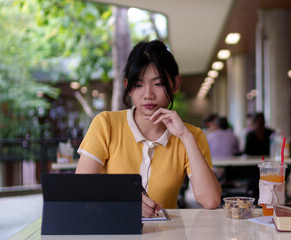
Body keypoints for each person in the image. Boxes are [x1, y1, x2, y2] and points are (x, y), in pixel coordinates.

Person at [75, 40, 221, 217]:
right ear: (128, 86)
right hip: (114, 230)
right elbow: (80, 190)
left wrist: (185, 137)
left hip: (168, 234)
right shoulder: (106, 124)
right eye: (138, 85)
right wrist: (126, 198)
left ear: (175, 83)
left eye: (158, 84)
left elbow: (211, 200)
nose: (148, 95)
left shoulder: (192, 135)